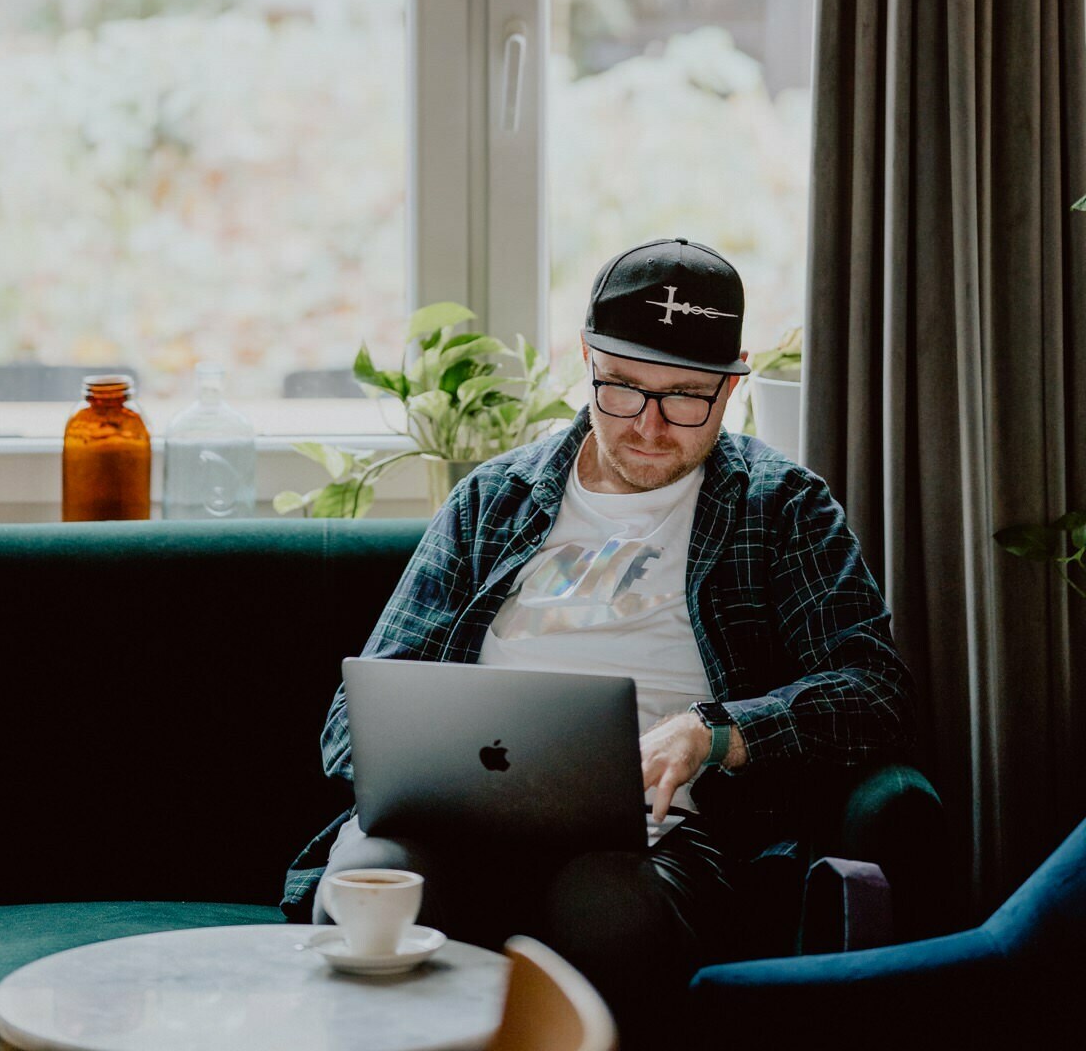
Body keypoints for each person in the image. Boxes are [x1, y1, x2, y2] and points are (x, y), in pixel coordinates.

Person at [282, 238, 914, 1045]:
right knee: (371, 882)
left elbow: (875, 690)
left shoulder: (783, 507)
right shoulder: (496, 499)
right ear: (587, 360)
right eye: (622, 390)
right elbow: (351, 722)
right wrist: (415, 757)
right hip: (449, 826)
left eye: (686, 398)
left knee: (600, 897)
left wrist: (716, 733)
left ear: (733, 383)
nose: (650, 427)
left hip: (661, 839)